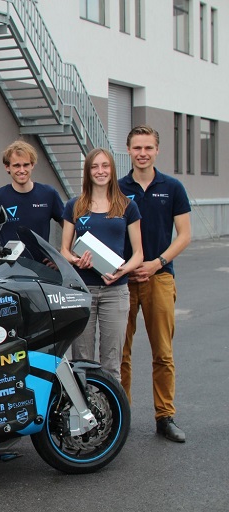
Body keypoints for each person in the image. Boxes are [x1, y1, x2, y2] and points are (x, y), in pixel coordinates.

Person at [118, 125, 192, 443]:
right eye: (137, 148)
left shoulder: (172, 187)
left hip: (159, 278)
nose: (143, 153)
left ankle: (165, 417)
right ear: (129, 150)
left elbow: (185, 235)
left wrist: (157, 263)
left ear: (157, 150)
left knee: (162, 352)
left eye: (148, 147)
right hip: (122, 281)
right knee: (120, 353)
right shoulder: (117, 188)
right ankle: (120, 417)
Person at [60, 148, 143, 381]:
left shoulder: (127, 206)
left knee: (112, 364)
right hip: (82, 290)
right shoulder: (75, 205)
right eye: (95, 166)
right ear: (88, 171)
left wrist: (122, 270)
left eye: (105, 166)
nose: (100, 171)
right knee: (82, 362)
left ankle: (110, 405)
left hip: (115, 291)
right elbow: (64, 250)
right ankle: (87, 405)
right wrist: (77, 260)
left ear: (112, 170)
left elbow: (138, 254)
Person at [0, 140, 64, 254]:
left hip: (41, 265)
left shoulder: (49, 194)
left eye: (26, 165)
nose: (22, 170)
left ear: (32, 165)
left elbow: (70, 228)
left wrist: (60, 255)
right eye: (16, 166)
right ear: (7, 167)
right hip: (8, 264)